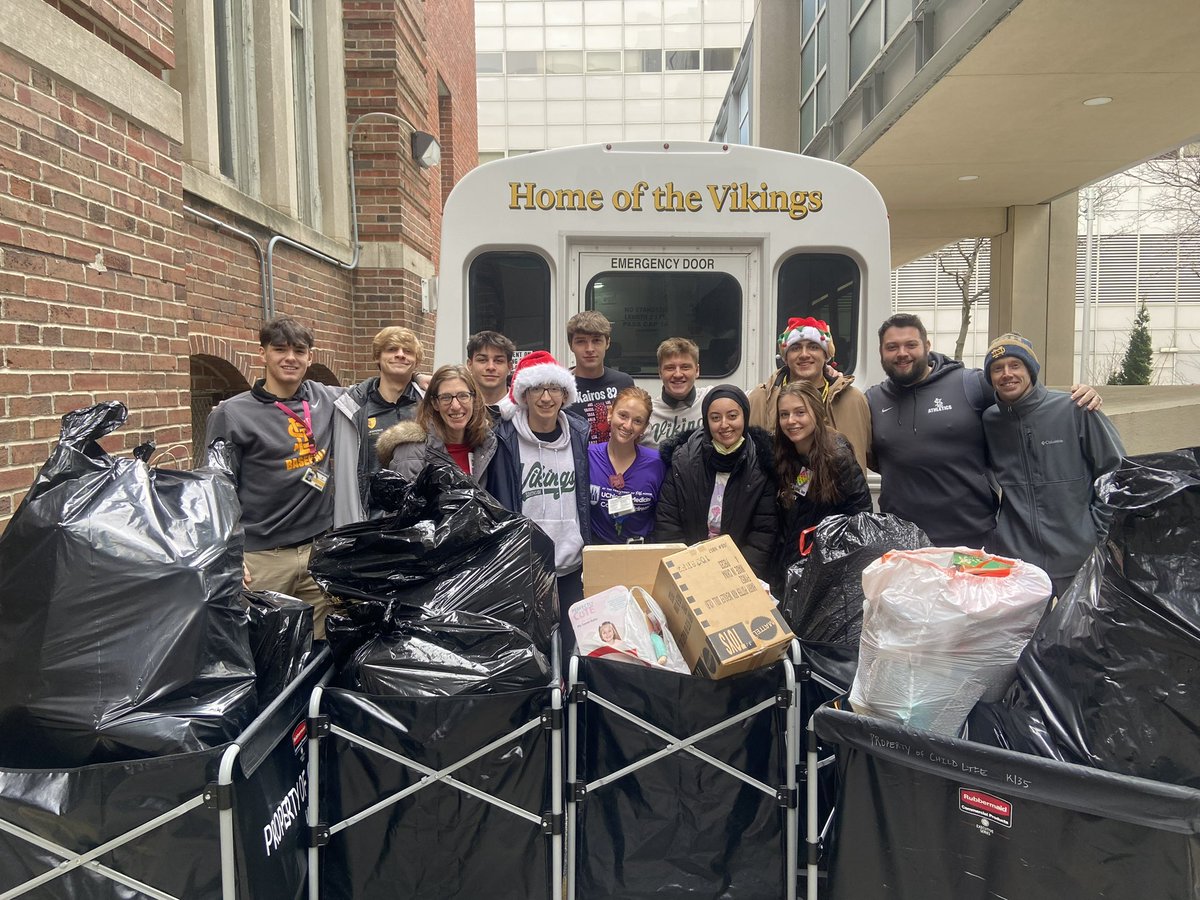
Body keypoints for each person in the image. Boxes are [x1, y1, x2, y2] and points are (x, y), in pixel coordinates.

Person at [865, 313, 1102, 549]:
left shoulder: (971, 384)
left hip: (972, 538)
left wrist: (1075, 397)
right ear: (881, 352)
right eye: (892, 347)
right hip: (901, 541)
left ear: (927, 346)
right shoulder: (872, 400)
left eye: (911, 344)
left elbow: (1027, 401)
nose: (902, 353)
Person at [206, 316, 339, 638]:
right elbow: (214, 488)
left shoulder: (328, 399)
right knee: (264, 647)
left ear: (310, 357)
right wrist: (229, 554)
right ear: (262, 353)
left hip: (318, 551)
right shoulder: (232, 414)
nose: (290, 358)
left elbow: (380, 391)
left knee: (320, 647)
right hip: (261, 559)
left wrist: (421, 376)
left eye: (299, 350)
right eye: (279, 349)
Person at [981, 334, 1125, 597]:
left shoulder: (1075, 408)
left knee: (1082, 637)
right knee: (1027, 638)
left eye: (1015, 365)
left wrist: (1096, 532)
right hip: (1020, 565)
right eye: (997, 368)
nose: (1007, 374)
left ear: (1031, 370)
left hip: (1079, 559)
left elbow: (1116, 472)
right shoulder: (990, 421)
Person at [488, 351, 591, 642]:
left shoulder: (579, 434)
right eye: (537, 389)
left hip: (572, 563)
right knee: (532, 648)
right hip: (526, 565)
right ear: (524, 394)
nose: (546, 398)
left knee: (576, 646)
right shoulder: (504, 438)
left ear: (564, 394)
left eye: (554, 389)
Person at [654, 385, 776, 580]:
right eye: (715, 418)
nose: (724, 425)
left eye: (732, 416)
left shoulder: (760, 465)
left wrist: (738, 576)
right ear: (707, 421)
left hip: (738, 574)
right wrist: (684, 571)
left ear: (744, 417)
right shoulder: (683, 461)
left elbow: (763, 533)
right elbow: (668, 523)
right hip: (689, 570)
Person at [773, 381, 872, 582]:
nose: (791, 421)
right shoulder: (783, 453)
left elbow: (860, 518)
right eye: (784, 414)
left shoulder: (838, 458)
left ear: (817, 413)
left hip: (825, 572)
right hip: (789, 567)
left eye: (800, 412)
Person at [748, 317, 872, 473]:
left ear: (826, 355)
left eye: (813, 347)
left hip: (843, 495)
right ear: (786, 357)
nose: (804, 354)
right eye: (795, 348)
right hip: (783, 495)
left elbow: (871, 455)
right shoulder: (761, 398)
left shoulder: (853, 400)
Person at [332, 326, 426, 525]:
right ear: (377, 357)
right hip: (368, 522)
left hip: (419, 521)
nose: (400, 355)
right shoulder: (352, 407)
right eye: (392, 349)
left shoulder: (429, 404)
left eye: (408, 351)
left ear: (416, 361)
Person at [376, 365, 498, 486]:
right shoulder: (411, 453)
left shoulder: (485, 444)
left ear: (474, 399)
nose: (455, 406)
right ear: (435, 403)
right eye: (445, 397)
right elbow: (405, 504)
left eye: (463, 396)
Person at [589, 386, 666, 543]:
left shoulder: (658, 463)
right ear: (610, 413)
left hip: (640, 553)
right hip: (597, 553)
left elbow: (665, 516)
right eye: (623, 415)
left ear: (644, 427)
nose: (628, 425)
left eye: (637, 421)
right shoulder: (587, 456)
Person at [566, 310, 634, 443]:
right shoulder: (561, 386)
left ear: (607, 343)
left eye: (596, 341)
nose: (589, 348)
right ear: (571, 345)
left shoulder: (624, 383)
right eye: (581, 342)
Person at [642, 337, 710, 449]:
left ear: (697, 371)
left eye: (685, 367)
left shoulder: (712, 401)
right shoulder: (647, 412)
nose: (678, 374)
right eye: (670, 368)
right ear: (660, 372)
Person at [465, 330, 515, 422]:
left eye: (498, 361)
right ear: (470, 364)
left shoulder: (526, 408)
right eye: (482, 360)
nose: (490, 367)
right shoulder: (458, 408)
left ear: (509, 366)